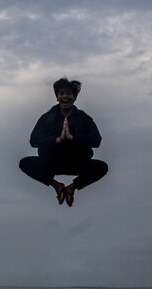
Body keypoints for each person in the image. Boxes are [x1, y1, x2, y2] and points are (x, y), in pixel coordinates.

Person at [19, 77, 108, 206]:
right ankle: (57, 185)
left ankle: (72, 187)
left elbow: (96, 140)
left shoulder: (83, 117)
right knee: (25, 163)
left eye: (68, 93)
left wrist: (74, 137)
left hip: (77, 162)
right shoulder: (48, 117)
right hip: (52, 162)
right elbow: (34, 140)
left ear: (74, 97)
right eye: (61, 93)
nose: (65, 96)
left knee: (101, 167)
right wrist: (57, 139)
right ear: (57, 97)